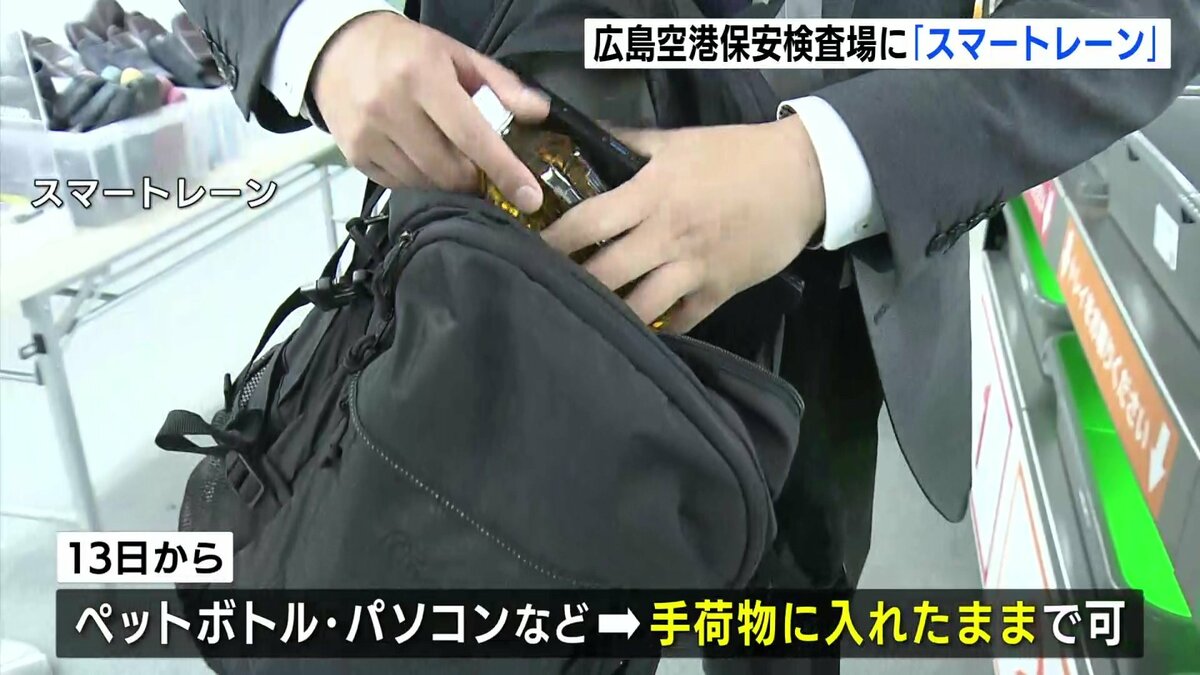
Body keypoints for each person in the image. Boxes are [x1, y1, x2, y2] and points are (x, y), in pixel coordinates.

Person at [179, 0, 1200, 670]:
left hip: (827, 312)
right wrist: (321, 34)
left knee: (791, 632)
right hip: (499, 293)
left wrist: (823, 166)